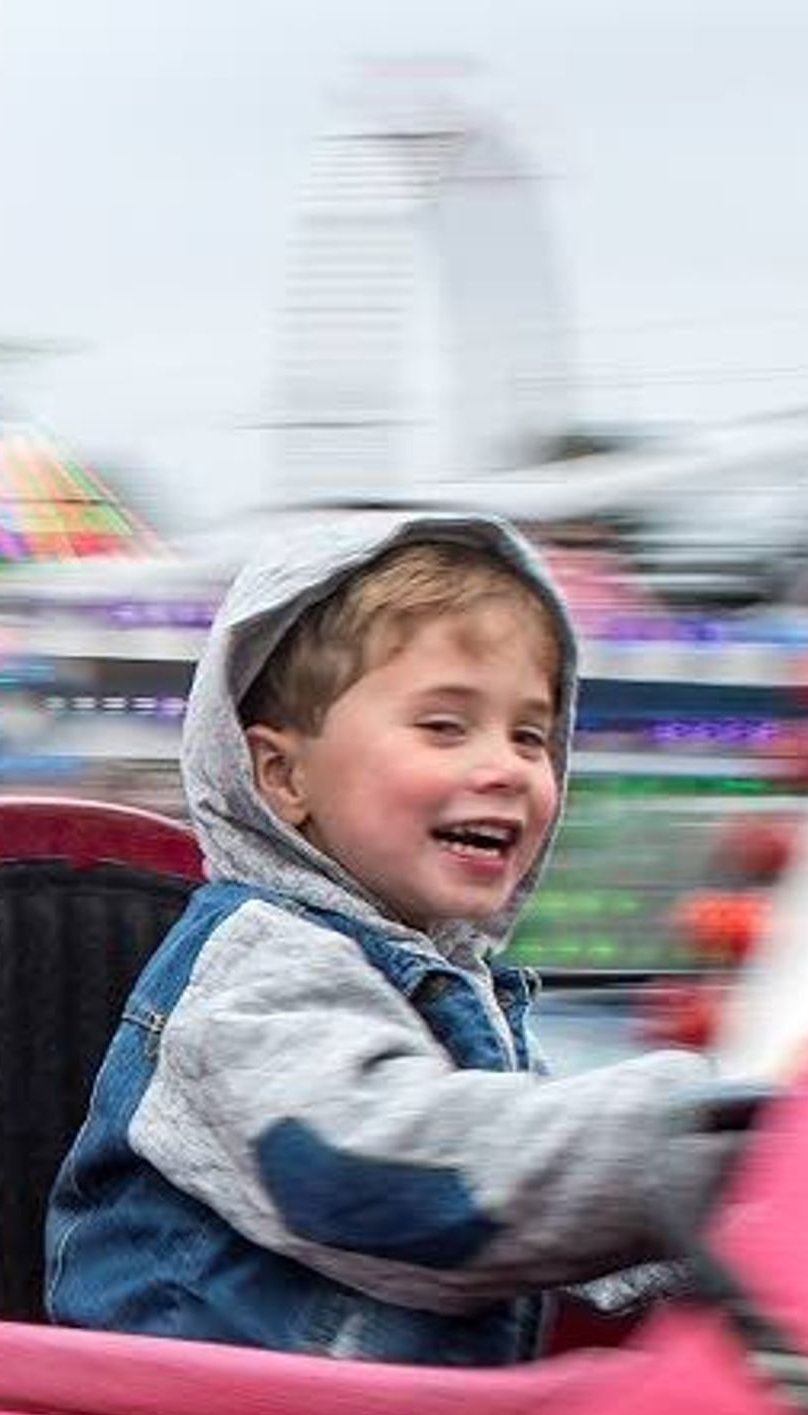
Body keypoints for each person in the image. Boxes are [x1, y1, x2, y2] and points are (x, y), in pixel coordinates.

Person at [46, 514, 759, 1366]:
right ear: (283, 777)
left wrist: (732, 1234)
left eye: (529, 735)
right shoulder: (251, 981)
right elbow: (399, 1186)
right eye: (445, 727)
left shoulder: (453, 983)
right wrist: (675, 1139)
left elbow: (539, 1219)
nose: (504, 766)